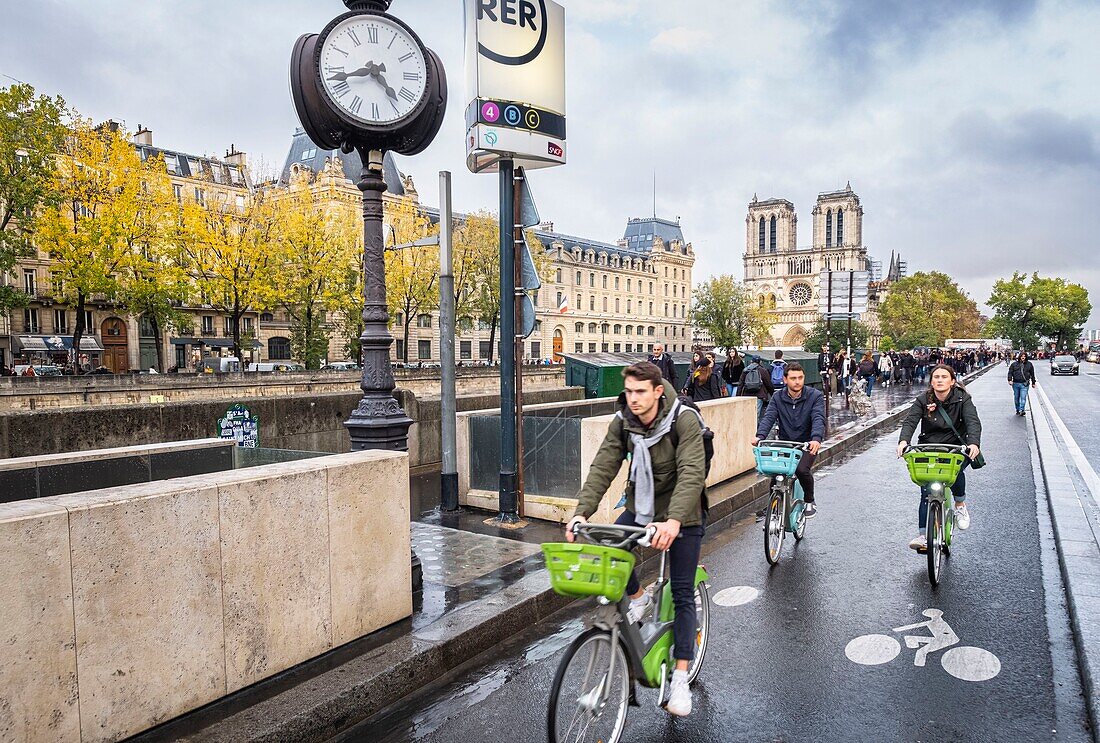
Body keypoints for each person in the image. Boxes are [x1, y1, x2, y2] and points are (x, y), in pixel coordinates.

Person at [567, 361, 706, 717]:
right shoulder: (623, 421)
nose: (633, 399)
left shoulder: (683, 419)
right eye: (628, 391)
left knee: (681, 592)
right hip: (643, 506)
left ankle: (680, 678)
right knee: (608, 544)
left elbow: (692, 471)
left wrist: (674, 521)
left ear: (658, 391)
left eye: (641, 391)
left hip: (683, 512)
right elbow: (603, 465)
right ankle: (639, 597)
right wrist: (581, 512)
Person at [896, 364, 982, 551]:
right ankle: (923, 535)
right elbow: (910, 421)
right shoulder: (923, 399)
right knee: (927, 489)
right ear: (931, 381)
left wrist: (973, 443)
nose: (940, 380)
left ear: (952, 381)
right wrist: (903, 441)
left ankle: (959, 504)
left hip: (956, 446)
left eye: (944, 377)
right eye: (936, 377)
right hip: (930, 447)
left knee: (957, 468)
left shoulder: (962, 399)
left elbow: (972, 421)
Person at [752, 362, 825, 516]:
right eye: (793, 378)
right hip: (786, 442)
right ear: (785, 380)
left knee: (801, 470)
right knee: (776, 472)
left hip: (807, 443)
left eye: (800, 378)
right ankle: (773, 503)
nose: (797, 381)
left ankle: (809, 500)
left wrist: (816, 439)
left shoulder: (815, 396)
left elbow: (818, 418)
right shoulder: (778, 397)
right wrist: (760, 436)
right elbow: (769, 417)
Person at [738, 354, 775, 420]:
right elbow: (768, 384)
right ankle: (755, 429)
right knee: (756, 416)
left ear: (751, 361)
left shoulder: (745, 370)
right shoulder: (763, 371)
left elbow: (740, 384)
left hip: (747, 395)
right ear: (760, 362)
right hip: (759, 395)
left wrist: (738, 396)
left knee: (748, 415)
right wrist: (772, 394)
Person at [1007, 352, 1036, 416]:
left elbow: (1032, 374)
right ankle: (1017, 409)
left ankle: (1021, 409)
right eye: (1022, 356)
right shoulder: (1014, 364)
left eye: (1024, 356)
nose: (1023, 357)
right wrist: (1009, 380)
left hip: (1024, 384)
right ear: (1019, 357)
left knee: (1023, 397)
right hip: (1016, 383)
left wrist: (1033, 382)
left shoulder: (1029, 364)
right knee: (1016, 398)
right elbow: (1010, 372)